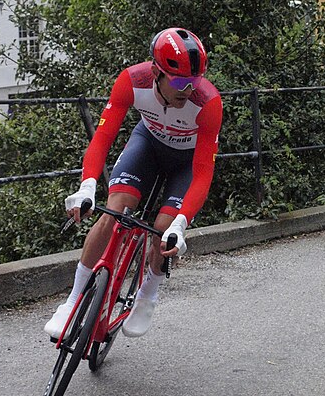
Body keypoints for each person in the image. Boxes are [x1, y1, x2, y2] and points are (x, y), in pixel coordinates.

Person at [44, 27, 223, 341]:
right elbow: (102, 138)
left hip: (186, 162)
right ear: (157, 72)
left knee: (164, 228)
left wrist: (180, 225)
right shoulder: (132, 80)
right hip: (148, 145)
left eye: (194, 82)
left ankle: (148, 294)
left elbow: (204, 172)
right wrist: (87, 187)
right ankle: (72, 300)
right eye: (180, 82)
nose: (188, 90)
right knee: (114, 211)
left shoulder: (208, 103)